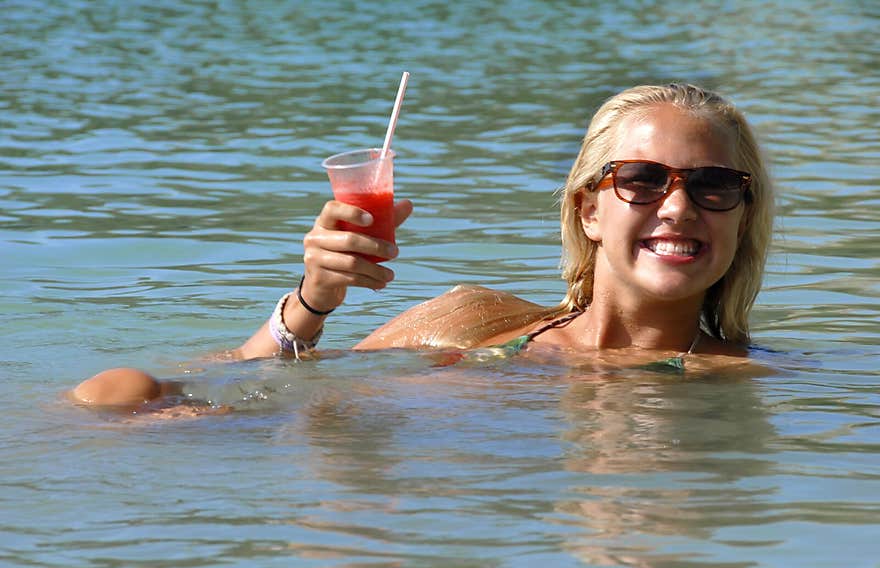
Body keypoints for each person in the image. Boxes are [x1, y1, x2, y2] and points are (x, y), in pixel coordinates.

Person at [70, 82, 774, 409]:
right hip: (324, 473)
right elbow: (250, 378)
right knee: (120, 392)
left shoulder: (746, 385)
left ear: (742, 216)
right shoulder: (478, 319)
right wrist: (315, 299)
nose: (678, 207)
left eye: (714, 186)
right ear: (589, 208)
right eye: (643, 180)